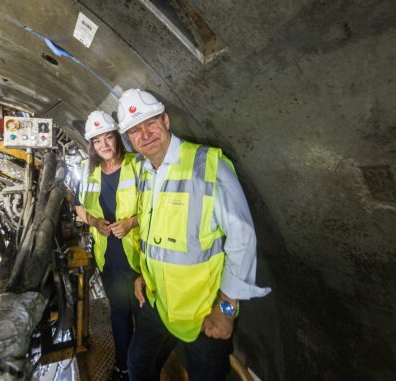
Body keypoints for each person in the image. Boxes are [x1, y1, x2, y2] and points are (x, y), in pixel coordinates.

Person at [116, 89, 271, 381]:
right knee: (138, 365)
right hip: (158, 303)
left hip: (204, 313)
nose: (145, 134)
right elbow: (155, 234)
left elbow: (243, 237)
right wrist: (144, 275)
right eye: (135, 130)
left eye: (150, 123)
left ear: (165, 120)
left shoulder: (207, 166)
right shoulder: (145, 172)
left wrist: (226, 308)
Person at [75, 110, 141, 381]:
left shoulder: (137, 164)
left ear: (117, 138)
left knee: (144, 317)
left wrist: (131, 223)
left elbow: (154, 207)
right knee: (120, 314)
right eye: (98, 141)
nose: (104, 145)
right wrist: (94, 221)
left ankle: (143, 368)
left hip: (138, 257)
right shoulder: (87, 171)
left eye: (108, 138)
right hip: (108, 257)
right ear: (92, 145)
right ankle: (124, 366)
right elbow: (79, 207)